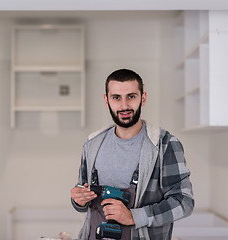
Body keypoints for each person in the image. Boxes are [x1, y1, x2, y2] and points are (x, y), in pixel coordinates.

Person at [71, 69, 194, 240]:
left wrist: (134, 217)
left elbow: (184, 202)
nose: (124, 106)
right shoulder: (92, 143)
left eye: (131, 96)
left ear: (143, 98)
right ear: (106, 100)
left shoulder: (164, 144)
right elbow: (83, 200)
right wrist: (79, 200)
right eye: (116, 97)